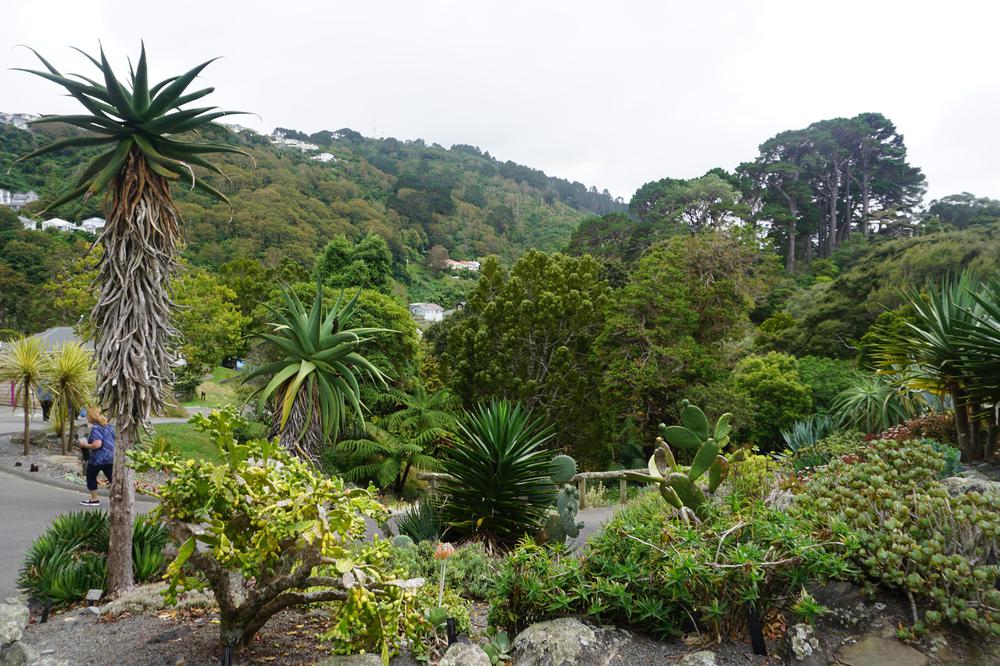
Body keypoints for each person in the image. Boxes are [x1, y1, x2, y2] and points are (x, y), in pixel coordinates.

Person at [78, 407, 115, 507]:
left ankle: (94, 499)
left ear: (91, 417)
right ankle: (118, 499)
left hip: (98, 458)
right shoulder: (109, 426)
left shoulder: (96, 428)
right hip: (111, 457)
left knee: (90, 476)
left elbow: (97, 444)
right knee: (113, 479)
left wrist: (85, 445)